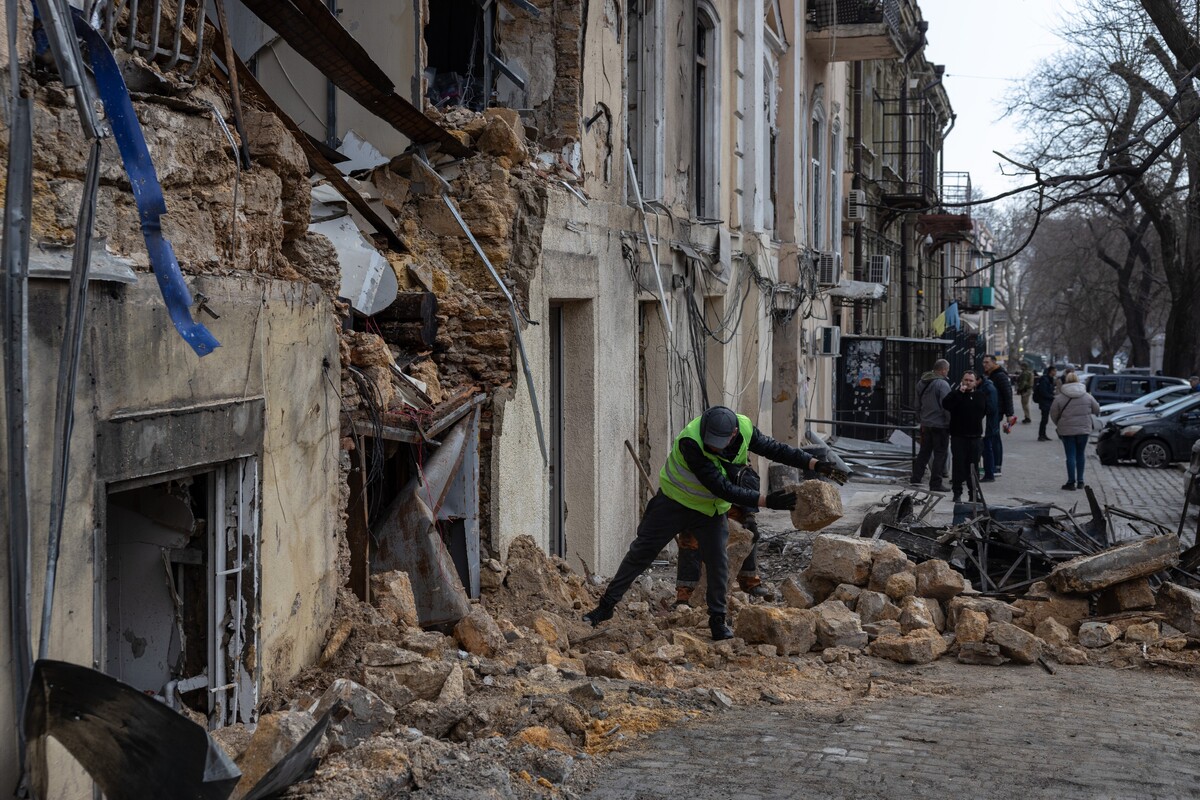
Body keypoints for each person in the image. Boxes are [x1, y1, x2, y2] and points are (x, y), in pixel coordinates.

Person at [583, 406, 848, 640]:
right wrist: (768, 501)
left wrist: (814, 464)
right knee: (641, 553)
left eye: (718, 442)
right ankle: (605, 607)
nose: (713, 446)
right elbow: (722, 488)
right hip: (673, 503)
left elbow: (774, 449)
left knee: (719, 564)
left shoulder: (743, 427)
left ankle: (718, 622)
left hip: (709, 511)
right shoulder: (691, 441)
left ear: (733, 433)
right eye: (710, 441)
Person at [675, 465, 767, 602]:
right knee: (690, 539)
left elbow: (747, 481)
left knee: (747, 532)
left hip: (729, 500)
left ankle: (749, 580)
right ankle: (686, 593)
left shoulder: (738, 461)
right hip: (700, 501)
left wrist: (749, 515)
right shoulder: (695, 457)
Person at [942, 370, 988, 504]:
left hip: (975, 437)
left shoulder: (981, 395)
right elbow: (946, 405)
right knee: (958, 466)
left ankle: (973, 493)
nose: (967, 383)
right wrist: (959, 393)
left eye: (970, 380)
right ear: (962, 381)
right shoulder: (955, 394)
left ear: (975, 383)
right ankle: (957, 493)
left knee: (973, 468)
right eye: (966, 380)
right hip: (959, 437)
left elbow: (984, 411)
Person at [1050, 372, 1101, 490]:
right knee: (1080, 454)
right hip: (1083, 430)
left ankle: (1071, 482)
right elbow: (1097, 409)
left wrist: (1059, 423)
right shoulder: (1087, 396)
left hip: (1067, 430)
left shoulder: (1060, 397)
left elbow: (1053, 413)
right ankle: (1081, 481)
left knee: (1070, 455)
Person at [911, 359, 951, 492]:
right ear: (943, 370)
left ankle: (916, 478)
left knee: (924, 452)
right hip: (940, 425)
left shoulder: (921, 382)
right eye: (947, 370)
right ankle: (935, 483)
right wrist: (949, 423)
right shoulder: (942, 385)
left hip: (926, 424)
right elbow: (947, 406)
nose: (947, 372)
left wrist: (921, 419)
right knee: (940, 454)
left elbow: (917, 404)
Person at [981, 355, 1017, 475]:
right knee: (994, 437)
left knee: (994, 437)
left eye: (987, 362)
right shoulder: (991, 375)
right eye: (983, 362)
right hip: (994, 409)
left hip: (998, 410)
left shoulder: (1000, 376)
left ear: (994, 363)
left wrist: (1009, 414)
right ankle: (995, 465)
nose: (984, 364)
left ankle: (996, 466)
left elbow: (1008, 394)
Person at [979, 371, 1000, 483]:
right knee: (986, 449)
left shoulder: (988, 389)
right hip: (988, 424)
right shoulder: (987, 387)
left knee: (987, 449)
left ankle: (989, 474)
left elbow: (990, 408)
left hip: (987, 424)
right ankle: (988, 473)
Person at [1033, 366, 1058, 441]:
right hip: (1044, 402)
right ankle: (1041, 435)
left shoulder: (1049, 379)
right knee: (1044, 419)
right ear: (1051, 371)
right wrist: (1052, 397)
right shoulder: (1045, 380)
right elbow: (1043, 392)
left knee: (1045, 419)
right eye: (1054, 371)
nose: (1055, 372)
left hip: (1047, 402)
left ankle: (1043, 434)